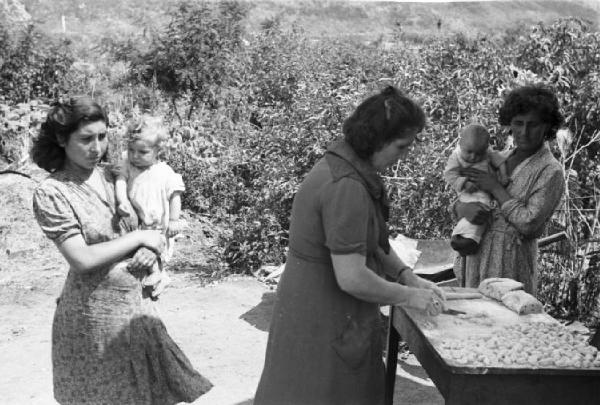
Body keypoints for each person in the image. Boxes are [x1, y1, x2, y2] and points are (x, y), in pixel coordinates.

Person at [254, 86, 446, 405]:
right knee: (318, 393)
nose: (404, 156)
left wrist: (407, 276)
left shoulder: (351, 165)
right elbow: (352, 277)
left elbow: (376, 242)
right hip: (323, 315)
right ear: (377, 140)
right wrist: (409, 296)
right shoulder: (347, 187)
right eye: (401, 147)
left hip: (322, 309)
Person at [31, 97, 212, 405]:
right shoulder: (52, 193)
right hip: (92, 321)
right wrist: (139, 237)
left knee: (146, 395)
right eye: (86, 139)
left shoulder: (114, 175)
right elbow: (82, 258)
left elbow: (149, 226)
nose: (97, 147)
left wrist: (149, 249)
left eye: (102, 137)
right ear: (62, 140)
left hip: (136, 310)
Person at [455, 84, 566, 293]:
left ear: (547, 127)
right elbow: (465, 197)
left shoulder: (550, 171)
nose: (524, 132)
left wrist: (496, 188)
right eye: (518, 123)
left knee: (505, 320)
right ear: (510, 124)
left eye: (533, 125)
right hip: (474, 256)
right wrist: (462, 209)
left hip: (510, 266)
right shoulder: (498, 159)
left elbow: (529, 224)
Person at [115, 114, 185, 291]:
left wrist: (174, 220)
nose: (135, 156)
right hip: (137, 220)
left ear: (157, 151)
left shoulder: (165, 172)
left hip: (158, 221)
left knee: (154, 248)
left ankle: (158, 274)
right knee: (138, 248)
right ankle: (156, 276)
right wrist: (122, 200)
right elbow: (121, 181)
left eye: (143, 152)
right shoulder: (128, 166)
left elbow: (174, 195)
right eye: (131, 150)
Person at [443, 123, 506, 256]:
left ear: (486, 148)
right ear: (460, 144)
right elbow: (449, 175)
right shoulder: (456, 156)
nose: (473, 157)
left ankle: (468, 239)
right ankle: (463, 237)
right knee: (474, 211)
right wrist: (464, 183)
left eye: (479, 154)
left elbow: (500, 161)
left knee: (480, 210)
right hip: (467, 193)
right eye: (469, 152)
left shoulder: (488, 152)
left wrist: (503, 176)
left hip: (484, 194)